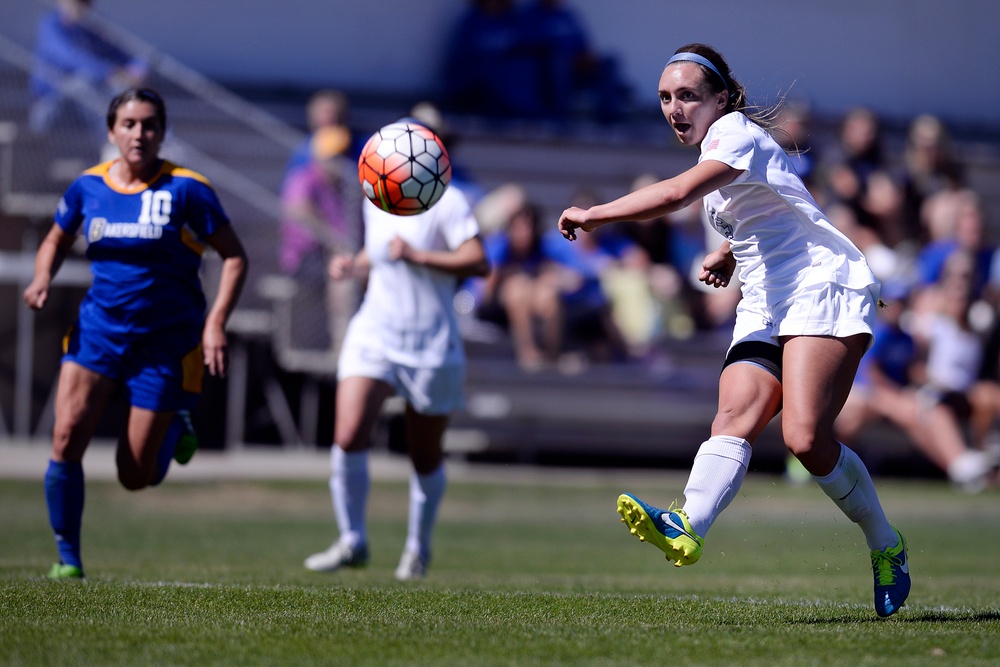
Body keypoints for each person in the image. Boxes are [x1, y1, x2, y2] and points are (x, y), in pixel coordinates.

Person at [556, 44, 910, 617]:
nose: (675, 108)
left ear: (721, 98)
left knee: (804, 439)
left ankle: (885, 544)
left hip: (821, 285)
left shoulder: (734, 134)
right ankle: (687, 525)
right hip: (767, 296)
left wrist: (594, 213)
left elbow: (674, 195)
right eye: (666, 97)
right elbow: (771, 205)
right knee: (733, 414)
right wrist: (728, 252)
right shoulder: (720, 153)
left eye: (689, 95)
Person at [22, 88, 248, 579]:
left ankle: (174, 426)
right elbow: (56, 237)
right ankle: (67, 559)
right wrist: (43, 277)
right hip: (98, 333)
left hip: (163, 343)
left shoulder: (187, 190)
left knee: (134, 476)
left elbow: (234, 256)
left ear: (162, 133)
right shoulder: (88, 187)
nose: (138, 133)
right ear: (111, 131)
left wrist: (215, 324)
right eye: (128, 124)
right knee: (65, 438)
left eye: (148, 124)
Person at [303, 173, 489, 581]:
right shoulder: (376, 198)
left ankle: (417, 548)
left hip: (430, 341)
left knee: (424, 454)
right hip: (374, 333)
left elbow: (478, 261)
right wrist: (354, 264)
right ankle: (352, 539)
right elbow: (380, 252)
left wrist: (418, 256)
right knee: (348, 435)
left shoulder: (450, 200)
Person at [279, 124, 361, 353]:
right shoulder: (305, 178)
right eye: (335, 156)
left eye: (343, 155)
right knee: (343, 270)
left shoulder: (345, 186)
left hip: (332, 255)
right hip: (306, 258)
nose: (340, 162)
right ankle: (341, 341)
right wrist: (333, 239)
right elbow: (297, 209)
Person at [30, 0, 148, 137]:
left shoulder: (87, 30)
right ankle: (112, 136)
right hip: (49, 104)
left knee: (125, 91)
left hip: (78, 110)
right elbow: (73, 57)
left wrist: (138, 69)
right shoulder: (51, 25)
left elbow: (124, 55)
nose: (81, 6)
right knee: (84, 84)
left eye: (86, 2)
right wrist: (111, 72)